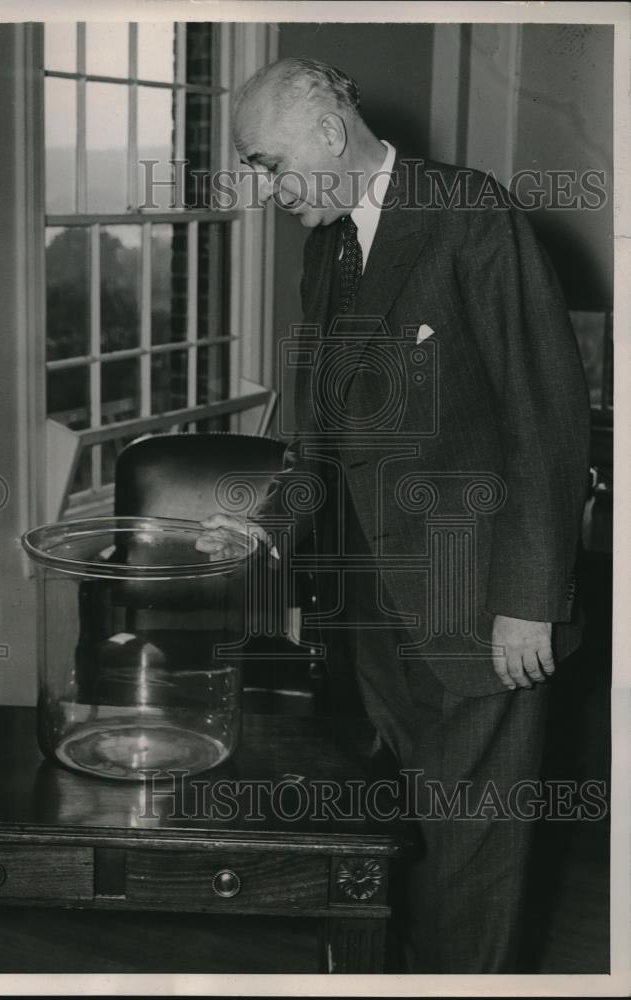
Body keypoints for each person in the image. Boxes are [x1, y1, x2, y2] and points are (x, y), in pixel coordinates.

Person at [196, 57, 591, 973]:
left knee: (473, 863)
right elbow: (318, 438)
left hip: (481, 610)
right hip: (375, 613)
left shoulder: (467, 214)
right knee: (408, 846)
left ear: (328, 136)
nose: (263, 189)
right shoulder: (325, 250)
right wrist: (263, 525)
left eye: (266, 163)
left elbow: (545, 412)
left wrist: (529, 597)